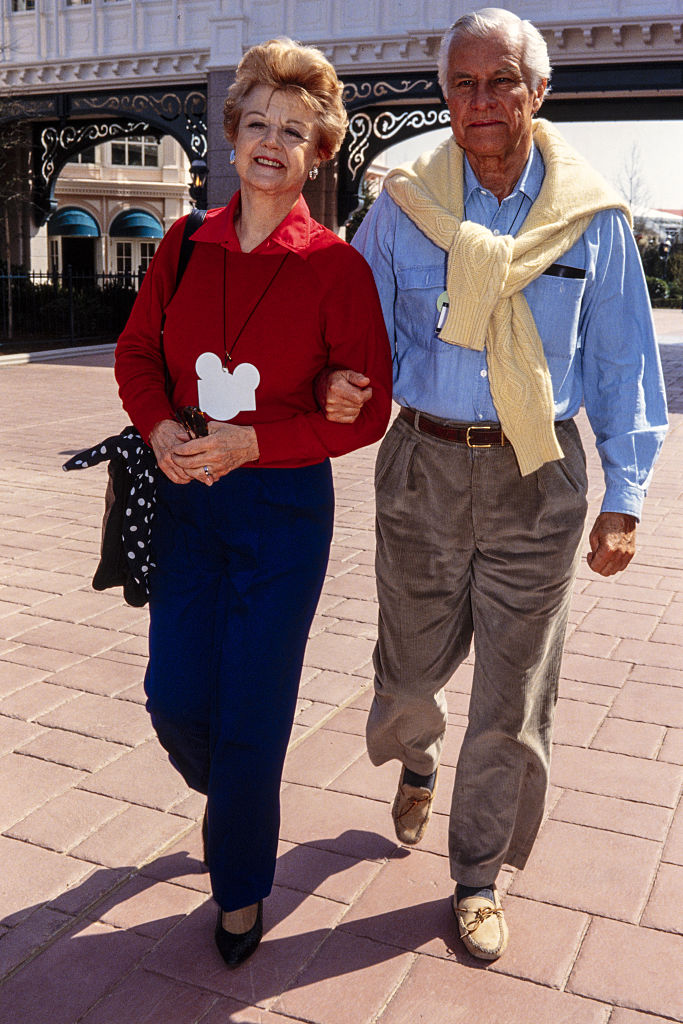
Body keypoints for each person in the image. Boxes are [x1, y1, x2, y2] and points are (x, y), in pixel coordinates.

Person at [322, 7, 668, 960]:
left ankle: (477, 874)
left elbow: (621, 365)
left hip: (536, 471)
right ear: (445, 97)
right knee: (408, 675)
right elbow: (356, 331)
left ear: (537, 93)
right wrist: (340, 379)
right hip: (422, 468)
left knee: (514, 698)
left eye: (500, 82)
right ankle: (416, 756)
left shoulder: (591, 219)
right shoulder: (398, 205)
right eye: (463, 84)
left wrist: (624, 496)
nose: (480, 102)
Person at [114, 37, 392, 968]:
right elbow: (136, 355)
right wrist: (158, 429)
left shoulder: (336, 269)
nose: (273, 142)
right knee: (174, 701)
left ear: (318, 153)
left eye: (296, 131)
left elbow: (368, 412)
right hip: (189, 502)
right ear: (232, 135)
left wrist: (257, 442)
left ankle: (239, 889)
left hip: (281, 517)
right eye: (259, 124)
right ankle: (238, 797)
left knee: (254, 713)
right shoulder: (184, 244)